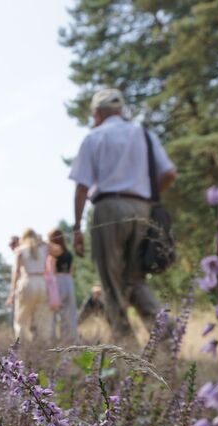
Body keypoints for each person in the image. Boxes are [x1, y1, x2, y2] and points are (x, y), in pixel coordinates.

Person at [68, 88, 177, 346]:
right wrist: (147, 201)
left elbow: (82, 186)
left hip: (108, 208)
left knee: (111, 280)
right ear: (120, 110)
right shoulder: (144, 135)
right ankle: (167, 337)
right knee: (136, 278)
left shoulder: (94, 137)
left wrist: (76, 228)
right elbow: (169, 173)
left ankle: (125, 346)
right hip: (143, 209)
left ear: (97, 113)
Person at [7, 228, 56, 344]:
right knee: (43, 317)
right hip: (42, 283)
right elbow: (58, 250)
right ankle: (44, 345)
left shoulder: (20, 250)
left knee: (21, 318)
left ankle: (22, 345)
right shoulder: (44, 248)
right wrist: (45, 242)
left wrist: (11, 294)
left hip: (27, 281)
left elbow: (16, 273)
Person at [47, 228, 79, 343]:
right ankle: (71, 339)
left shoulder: (53, 252)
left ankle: (53, 340)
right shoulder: (69, 253)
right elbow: (71, 271)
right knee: (70, 313)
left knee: (53, 313)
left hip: (57, 281)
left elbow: (52, 269)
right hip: (69, 281)